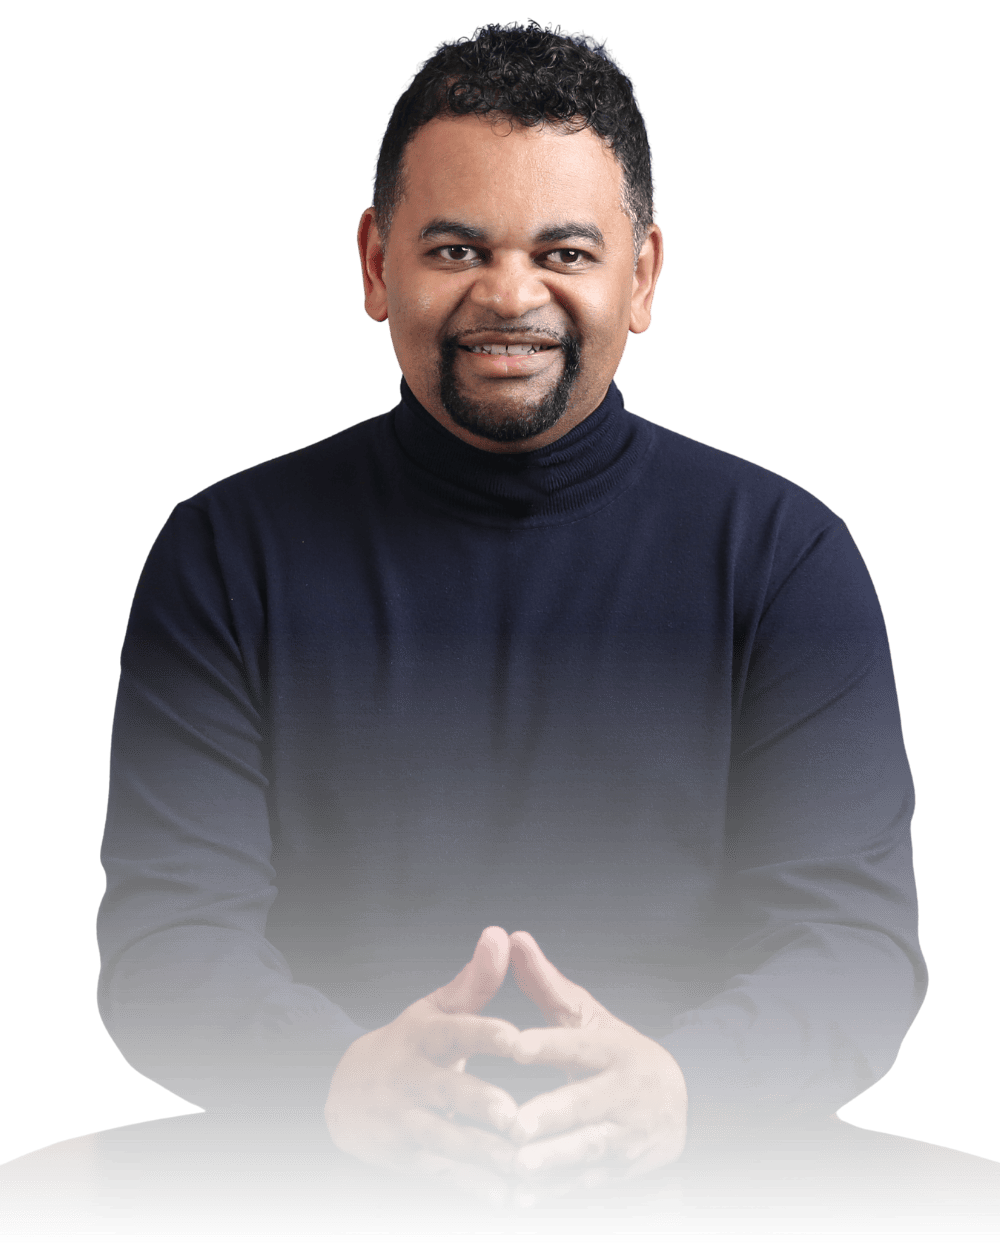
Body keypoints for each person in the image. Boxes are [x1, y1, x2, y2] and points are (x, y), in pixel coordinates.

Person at [95, 20, 928, 1211]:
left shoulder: (785, 557)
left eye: (564, 250)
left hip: (711, 1191)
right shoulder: (225, 553)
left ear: (642, 276)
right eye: (456, 247)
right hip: (313, 1186)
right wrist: (335, 1075)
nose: (509, 294)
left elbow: (858, 953)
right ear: (376, 264)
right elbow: (163, 950)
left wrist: (686, 1085)